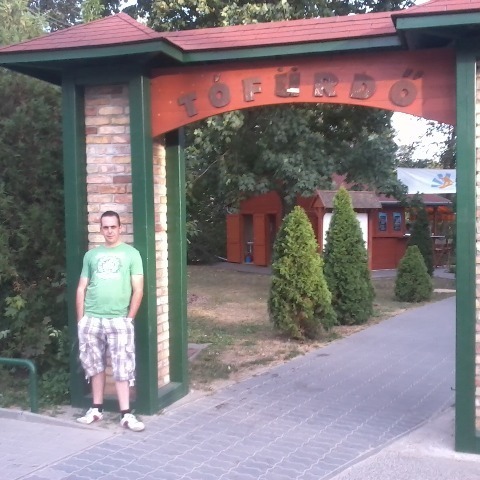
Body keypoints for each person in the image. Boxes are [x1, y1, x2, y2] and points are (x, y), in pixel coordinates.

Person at [76, 210, 145, 432]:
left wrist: (129, 319)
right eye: (105, 227)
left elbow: (138, 289)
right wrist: (81, 320)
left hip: (119, 319)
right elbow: (81, 287)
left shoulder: (131, 254)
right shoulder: (91, 256)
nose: (109, 231)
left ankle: (126, 414)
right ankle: (96, 409)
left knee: (123, 366)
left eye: (113, 227)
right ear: (101, 229)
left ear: (120, 228)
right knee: (94, 365)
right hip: (92, 318)